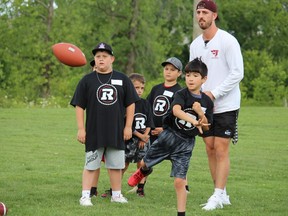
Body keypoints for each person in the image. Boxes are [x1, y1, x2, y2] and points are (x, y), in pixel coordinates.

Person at [127, 57, 214, 216]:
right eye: (188, 75)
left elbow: (207, 127)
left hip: (186, 144)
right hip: (168, 136)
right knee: (145, 163)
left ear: (204, 79)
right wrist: (194, 119)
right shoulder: (181, 93)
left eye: (195, 75)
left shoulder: (207, 101)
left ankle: (181, 213)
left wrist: (201, 113)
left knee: (179, 180)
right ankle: (143, 171)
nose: (190, 79)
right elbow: (177, 111)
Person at [189, 0, 244, 211]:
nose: (201, 16)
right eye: (198, 12)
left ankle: (217, 195)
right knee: (210, 148)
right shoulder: (195, 45)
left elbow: (237, 73)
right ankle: (222, 193)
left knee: (221, 149)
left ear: (214, 15)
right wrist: (195, 99)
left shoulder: (228, 41)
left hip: (226, 104)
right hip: (204, 107)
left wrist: (214, 93)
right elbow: (194, 76)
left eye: (205, 12)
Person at [70, 42, 139, 206]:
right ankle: (85, 196)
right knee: (91, 163)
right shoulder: (87, 80)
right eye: (98, 56)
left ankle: (116, 194)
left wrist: (128, 126)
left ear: (112, 59)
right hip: (94, 130)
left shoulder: (122, 79)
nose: (101, 59)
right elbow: (79, 105)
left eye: (104, 56)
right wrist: (81, 128)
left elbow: (131, 104)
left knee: (115, 165)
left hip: (116, 130)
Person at [122, 73, 154, 197]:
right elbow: (126, 125)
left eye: (142, 88)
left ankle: (140, 188)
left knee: (142, 164)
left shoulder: (145, 104)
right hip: (130, 139)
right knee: (123, 164)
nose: (139, 91)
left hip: (143, 139)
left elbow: (149, 122)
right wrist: (140, 136)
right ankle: (115, 189)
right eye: (136, 88)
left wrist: (145, 136)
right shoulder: (126, 104)